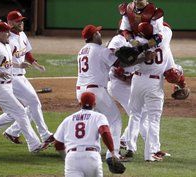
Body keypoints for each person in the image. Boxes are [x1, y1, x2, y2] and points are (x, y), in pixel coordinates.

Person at [0, 22, 44, 153]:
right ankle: (34, 145)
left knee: (13, 113)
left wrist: (19, 65)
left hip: (7, 86)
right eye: (6, 31)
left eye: (9, 31)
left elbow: (6, 62)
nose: (9, 34)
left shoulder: (6, 45)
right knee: (21, 112)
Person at [124, 22, 176, 161]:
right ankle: (151, 152)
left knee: (134, 114)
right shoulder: (165, 37)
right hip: (154, 83)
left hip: (137, 80)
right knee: (153, 119)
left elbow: (126, 61)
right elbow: (165, 27)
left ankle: (130, 147)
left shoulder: (137, 43)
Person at [3, 10, 54, 145]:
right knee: (34, 103)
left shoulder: (23, 35)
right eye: (18, 21)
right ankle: (45, 135)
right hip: (12, 77)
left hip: (22, 77)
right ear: (10, 23)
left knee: (31, 106)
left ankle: (12, 132)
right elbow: (4, 61)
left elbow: (27, 53)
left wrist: (36, 65)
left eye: (21, 20)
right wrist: (19, 65)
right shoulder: (8, 40)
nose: (21, 23)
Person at [76, 24, 123, 160]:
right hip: (95, 91)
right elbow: (120, 63)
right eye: (98, 33)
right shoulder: (101, 50)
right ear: (95, 35)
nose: (100, 34)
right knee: (114, 120)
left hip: (80, 91)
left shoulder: (82, 50)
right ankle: (113, 154)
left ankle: (89, 150)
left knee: (92, 120)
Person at [53, 92, 119, 177]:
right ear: (94, 104)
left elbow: (57, 143)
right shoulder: (99, 116)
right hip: (92, 157)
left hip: (72, 158)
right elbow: (105, 132)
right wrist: (112, 152)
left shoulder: (68, 119)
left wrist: (66, 157)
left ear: (80, 103)